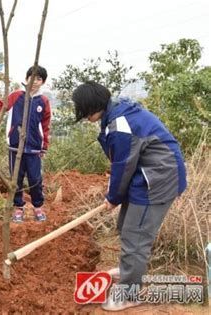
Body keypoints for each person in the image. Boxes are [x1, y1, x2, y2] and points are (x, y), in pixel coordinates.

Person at [72, 81, 187, 311]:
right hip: (146, 175)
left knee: (135, 237)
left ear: (93, 106)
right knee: (126, 227)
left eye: (83, 110)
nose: (83, 116)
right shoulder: (116, 112)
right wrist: (115, 195)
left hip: (157, 180)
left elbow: (123, 166)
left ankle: (130, 292)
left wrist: (113, 196)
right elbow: (122, 162)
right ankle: (129, 271)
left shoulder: (120, 124)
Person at [0, 65, 51, 223]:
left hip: (34, 149)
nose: (34, 81)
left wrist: (44, 146)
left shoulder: (44, 101)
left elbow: (46, 126)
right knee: (16, 179)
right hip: (15, 147)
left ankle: (37, 206)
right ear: (27, 79)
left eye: (39, 79)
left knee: (35, 179)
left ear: (43, 82)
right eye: (32, 77)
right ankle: (18, 207)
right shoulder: (16, 96)